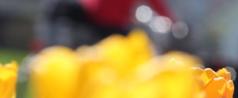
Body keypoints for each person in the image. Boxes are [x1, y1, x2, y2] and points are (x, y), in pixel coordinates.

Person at [41, 0, 174, 48]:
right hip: (92, 15)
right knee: (58, 7)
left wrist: (170, 19)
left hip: (113, 25)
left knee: (135, 45)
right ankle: (48, 45)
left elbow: (157, 4)